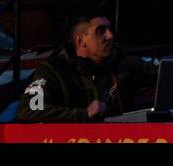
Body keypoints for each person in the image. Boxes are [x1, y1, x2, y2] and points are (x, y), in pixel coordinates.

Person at [17, 13, 157, 123]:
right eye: (101, 31)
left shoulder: (124, 63)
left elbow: (167, 75)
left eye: (109, 29)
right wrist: (82, 114)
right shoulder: (53, 70)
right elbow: (28, 109)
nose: (110, 35)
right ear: (80, 40)